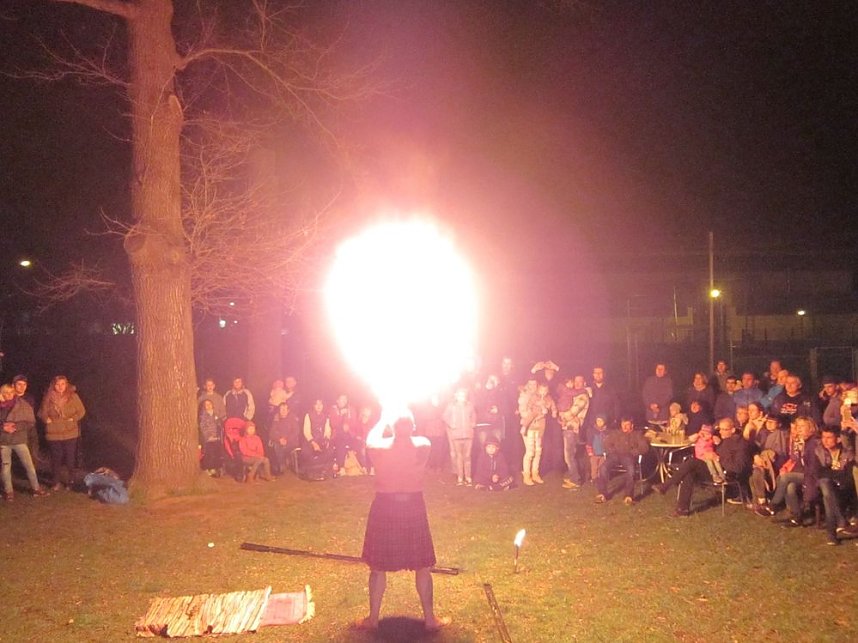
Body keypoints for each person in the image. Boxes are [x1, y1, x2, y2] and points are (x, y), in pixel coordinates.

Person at [357, 415, 449, 633]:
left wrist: (382, 418)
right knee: (423, 566)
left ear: (392, 427)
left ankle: (373, 619)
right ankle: (429, 620)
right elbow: (414, 436)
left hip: (385, 506)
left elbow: (370, 438)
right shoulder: (422, 446)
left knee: (378, 568)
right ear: (413, 427)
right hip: (412, 506)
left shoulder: (379, 448)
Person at [805, 427, 856, 545]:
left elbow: (848, 475)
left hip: (843, 488)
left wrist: (832, 474)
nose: (825, 441)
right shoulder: (818, 451)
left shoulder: (846, 453)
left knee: (828, 494)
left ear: (838, 439)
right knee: (825, 485)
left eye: (829, 438)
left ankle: (832, 534)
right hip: (820, 487)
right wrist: (834, 474)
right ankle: (840, 521)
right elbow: (817, 472)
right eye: (823, 437)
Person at [38, 375, 86, 490]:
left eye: (62, 384)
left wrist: (73, 418)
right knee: (56, 458)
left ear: (66, 385)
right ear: (53, 385)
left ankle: (71, 481)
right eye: (57, 384)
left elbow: (82, 411)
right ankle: (55, 482)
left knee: (70, 458)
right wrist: (46, 419)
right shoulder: (48, 397)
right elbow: (41, 412)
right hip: (53, 433)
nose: (60, 387)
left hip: (70, 432)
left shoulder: (73, 396)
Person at [1, 384, 47, 500]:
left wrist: (16, 426)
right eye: (5, 393)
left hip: (19, 440)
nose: (9, 395)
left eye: (11, 392)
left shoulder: (22, 405)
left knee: (29, 465)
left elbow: (30, 421)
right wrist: (3, 427)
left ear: (14, 393)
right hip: (3, 441)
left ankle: (36, 488)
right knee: (6, 467)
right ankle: (9, 492)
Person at [594, 415, 650, 505]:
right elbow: (606, 444)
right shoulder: (616, 433)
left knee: (631, 470)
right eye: (623, 424)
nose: (624, 427)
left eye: (627, 425)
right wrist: (611, 450)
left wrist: (634, 452)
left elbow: (645, 447)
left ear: (632, 425)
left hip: (628, 456)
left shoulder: (637, 434)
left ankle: (628, 496)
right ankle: (602, 494)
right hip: (614, 455)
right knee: (603, 468)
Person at [520, 381, 556, 486]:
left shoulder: (548, 399)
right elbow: (531, 413)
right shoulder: (534, 399)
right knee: (530, 452)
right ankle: (527, 475)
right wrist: (525, 426)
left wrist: (553, 411)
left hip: (540, 429)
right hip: (531, 428)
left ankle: (535, 473)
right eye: (541, 390)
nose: (543, 392)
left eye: (545, 390)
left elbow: (553, 406)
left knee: (538, 451)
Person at [558, 375, 589, 489]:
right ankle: (575, 476)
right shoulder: (574, 394)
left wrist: (561, 416)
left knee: (569, 455)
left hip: (572, 428)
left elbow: (572, 412)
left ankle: (575, 480)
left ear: (584, 383)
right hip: (568, 426)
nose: (577, 383)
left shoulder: (582, 396)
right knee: (572, 454)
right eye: (575, 381)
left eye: (580, 381)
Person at [442, 387, 477, 486]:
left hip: (468, 434)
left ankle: (468, 476)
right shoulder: (451, 406)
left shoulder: (470, 406)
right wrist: (451, 424)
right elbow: (444, 416)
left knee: (467, 456)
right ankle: (460, 476)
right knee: (459, 456)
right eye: (460, 395)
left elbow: (473, 415)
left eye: (464, 395)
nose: (462, 397)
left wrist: (473, 423)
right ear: (456, 396)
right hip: (456, 434)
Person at [301, 398, 334, 479]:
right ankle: (310, 472)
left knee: (329, 450)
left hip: (321, 440)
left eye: (320, 404)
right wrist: (313, 443)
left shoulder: (326, 416)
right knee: (306, 452)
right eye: (317, 404)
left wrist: (326, 440)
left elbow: (327, 430)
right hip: (310, 440)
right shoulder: (308, 415)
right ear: (314, 406)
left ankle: (322, 471)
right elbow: (306, 431)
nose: (319, 406)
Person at [12, 375, 40, 464]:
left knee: (32, 451)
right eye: (19, 384)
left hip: (29, 428)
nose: (22, 387)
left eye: (24, 385)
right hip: (14, 429)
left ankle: (32, 473)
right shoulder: (8, 397)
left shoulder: (30, 398)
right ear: (13, 385)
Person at [268, 401, 300, 475]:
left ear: (288, 410)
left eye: (285, 409)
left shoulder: (292, 418)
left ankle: (284, 464)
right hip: (280, 441)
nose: (283, 411)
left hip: (291, 441)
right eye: (281, 409)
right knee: (277, 446)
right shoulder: (276, 419)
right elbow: (272, 432)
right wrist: (279, 439)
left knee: (283, 447)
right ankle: (281, 466)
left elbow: (296, 431)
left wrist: (287, 440)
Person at [198, 399, 224, 476]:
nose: (208, 406)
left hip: (216, 437)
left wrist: (219, 435)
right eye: (206, 404)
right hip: (208, 438)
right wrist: (208, 435)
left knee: (216, 453)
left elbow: (218, 426)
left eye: (210, 404)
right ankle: (206, 468)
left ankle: (214, 467)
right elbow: (203, 427)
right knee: (208, 454)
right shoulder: (203, 416)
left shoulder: (215, 415)